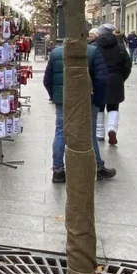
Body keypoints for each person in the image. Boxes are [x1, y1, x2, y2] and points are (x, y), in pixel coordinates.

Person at [43, 42, 117, 184]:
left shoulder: (56, 53)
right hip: (86, 100)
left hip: (63, 101)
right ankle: (97, 168)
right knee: (89, 133)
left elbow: (47, 80)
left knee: (60, 132)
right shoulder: (93, 51)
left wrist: (56, 96)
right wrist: (98, 101)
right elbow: (101, 80)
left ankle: (58, 170)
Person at [94, 24, 132, 146]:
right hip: (116, 79)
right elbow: (127, 65)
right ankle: (112, 129)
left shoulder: (94, 47)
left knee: (99, 106)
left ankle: (99, 134)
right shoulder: (120, 48)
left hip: (99, 79)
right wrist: (121, 78)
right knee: (113, 106)